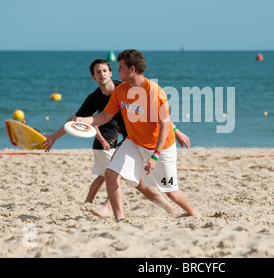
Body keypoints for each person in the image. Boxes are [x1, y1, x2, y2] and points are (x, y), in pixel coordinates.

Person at [42, 59, 191, 217]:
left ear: (111, 73)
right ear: (93, 77)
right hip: (130, 139)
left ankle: (109, 207)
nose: (102, 74)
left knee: (118, 172)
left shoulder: (124, 87)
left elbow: (158, 113)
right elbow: (76, 119)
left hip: (141, 138)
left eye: (105, 71)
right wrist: (54, 136)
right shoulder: (94, 98)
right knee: (138, 184)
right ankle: (170, 211)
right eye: (98, 72)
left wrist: (177, 131)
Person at [76, 49, 201, 219]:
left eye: (120, 67)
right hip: (134, 142)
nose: (117, 71)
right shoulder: (121, 90)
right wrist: (85, 120)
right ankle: (119, 219)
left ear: (132, 69)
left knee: (172, 192)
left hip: (161, 147)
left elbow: (165, 125)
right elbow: (105, 116)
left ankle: (195, 214)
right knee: (111, 174)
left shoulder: (155, 93)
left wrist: (155, 157)